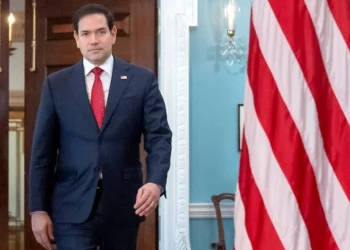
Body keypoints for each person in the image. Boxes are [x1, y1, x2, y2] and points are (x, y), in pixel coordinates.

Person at [29, 3, 172, 250]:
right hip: (70, 207)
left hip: (124, 203)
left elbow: (159, 137)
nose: (94, 40)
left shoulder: (141, 80)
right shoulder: (56, 85)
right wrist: (38, 208)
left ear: (113, 34)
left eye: (101, 32)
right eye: (85, 34)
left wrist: (155, 181)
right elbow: (43, 151)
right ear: (76, 39)